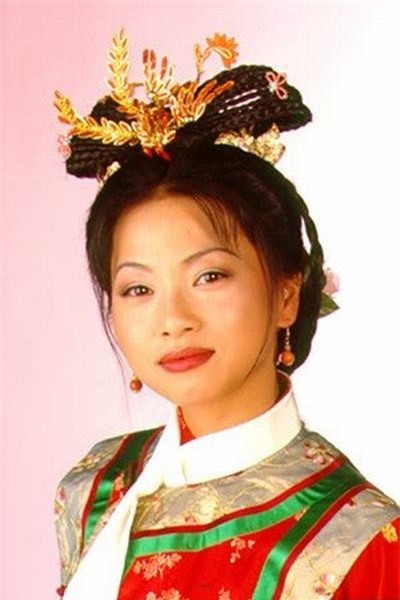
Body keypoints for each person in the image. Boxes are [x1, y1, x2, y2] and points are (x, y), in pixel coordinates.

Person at [53, 30, 399, 600]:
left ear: (287, 293)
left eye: (209, 277)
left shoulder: (353, 540)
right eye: (138, 289)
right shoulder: (94, 489)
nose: (173, 319)